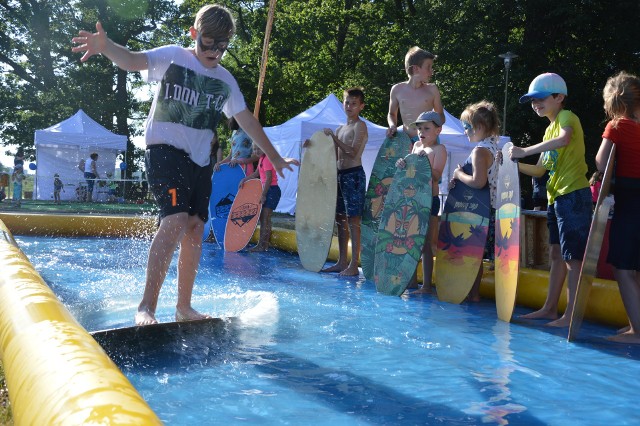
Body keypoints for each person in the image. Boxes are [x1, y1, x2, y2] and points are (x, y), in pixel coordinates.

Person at [72, 4, 298, 325]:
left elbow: (245, 118)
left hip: (201, 161)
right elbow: (134, 60)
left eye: (222, 46)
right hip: (165, 151)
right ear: (194, 34)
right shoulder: (175, 56)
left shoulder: (224, 80)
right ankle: (146, 307)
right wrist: (106, 47)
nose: (215, 51)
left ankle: (183, 307)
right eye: (208, 42)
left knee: (194, 229)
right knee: (176, 220)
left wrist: (274, 156)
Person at [509, 72, 591, 327]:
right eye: (532, 100)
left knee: (572, 257)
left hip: (574, 193)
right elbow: (540, 171)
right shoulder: (547, 131)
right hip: (556, 197)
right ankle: (550, 308)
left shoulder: (567, 117)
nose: (535, 104)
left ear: (559, 97)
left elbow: (564, 139)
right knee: (556, 254)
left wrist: (524, 150)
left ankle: (571, 315)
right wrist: (513, 163)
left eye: (541, 98)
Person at [595, 71, 640, 343]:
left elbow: (601, 163)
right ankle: (635, 323)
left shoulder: (618, 126)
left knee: (623, 268)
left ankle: (637, 332)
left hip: (631, 200)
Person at [450, 101, 501, 302]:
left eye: (466, 127)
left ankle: (473, 294)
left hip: (481, 211)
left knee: (474, 256)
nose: (465, 132)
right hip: (491, 208)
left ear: (479, 127)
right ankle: (474, 294)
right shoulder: (493, 147)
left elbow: (478, 182)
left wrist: (458, 174)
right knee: (477, 256)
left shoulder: (480, 150)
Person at [316, 87, 369, 276]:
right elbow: (332, 154)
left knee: (354, 220)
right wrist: (313, 145)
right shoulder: (340, 128)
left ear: (361, 106)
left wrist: (335, 139)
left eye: (354, 103)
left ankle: (354, 265)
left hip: (354, 175)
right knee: (340, 219)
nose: (349, 106)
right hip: (340, 176)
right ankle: (342, 261)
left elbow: (352, 152)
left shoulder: (359, 126)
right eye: (347, 102)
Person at [396, 111, 447, 293]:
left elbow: (436, 176)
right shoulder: (416, 145)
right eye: (419, 128)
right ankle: (410, 281)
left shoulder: (439, 150)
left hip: (429, 200)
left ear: (438, 130)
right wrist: (402, 164)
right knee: (409, 240)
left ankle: (426, 285)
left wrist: (423, 162)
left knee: (425, 243)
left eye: (426, 128)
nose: (421, 132)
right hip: (412, 200)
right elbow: (408, 173)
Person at [387, 46, 445, 142]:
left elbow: (441, 115)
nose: (432, 71)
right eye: (428, 67)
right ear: (415, 69)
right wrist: (393, 126)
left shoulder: (432, 89)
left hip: (428, 140)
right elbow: (391, 114)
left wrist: (435, 126)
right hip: (405, 140)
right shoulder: (397, 89)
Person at [239, 144, 281, 252]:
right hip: (269, 190)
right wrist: (245, 179)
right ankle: (264, 245)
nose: (256, 151)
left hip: (271, 190)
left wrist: (263, 194)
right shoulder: (262, 159)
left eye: (258, 148)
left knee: (264, 218)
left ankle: (261, 245)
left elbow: (268, 179)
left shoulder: (266, 159)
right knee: (265, 219)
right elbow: (257, 173)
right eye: (254, 149)